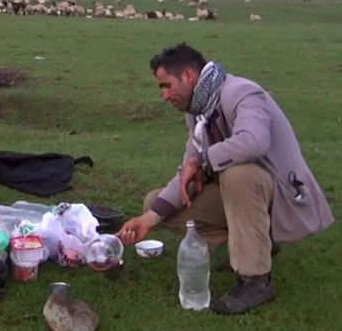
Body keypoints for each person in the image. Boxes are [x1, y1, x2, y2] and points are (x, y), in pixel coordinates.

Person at [117, 42, 334, 314]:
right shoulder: (198, 114)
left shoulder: (241, 92)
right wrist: (148, 220)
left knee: (238, 175)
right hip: (246, 200)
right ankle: (248, 246)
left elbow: (254, 142)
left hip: (282, 199)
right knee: (155, 203)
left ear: (188, 76)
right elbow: (188, 170)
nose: (164, 95)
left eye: (166, 85)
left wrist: (204, 160)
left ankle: (256, 280)